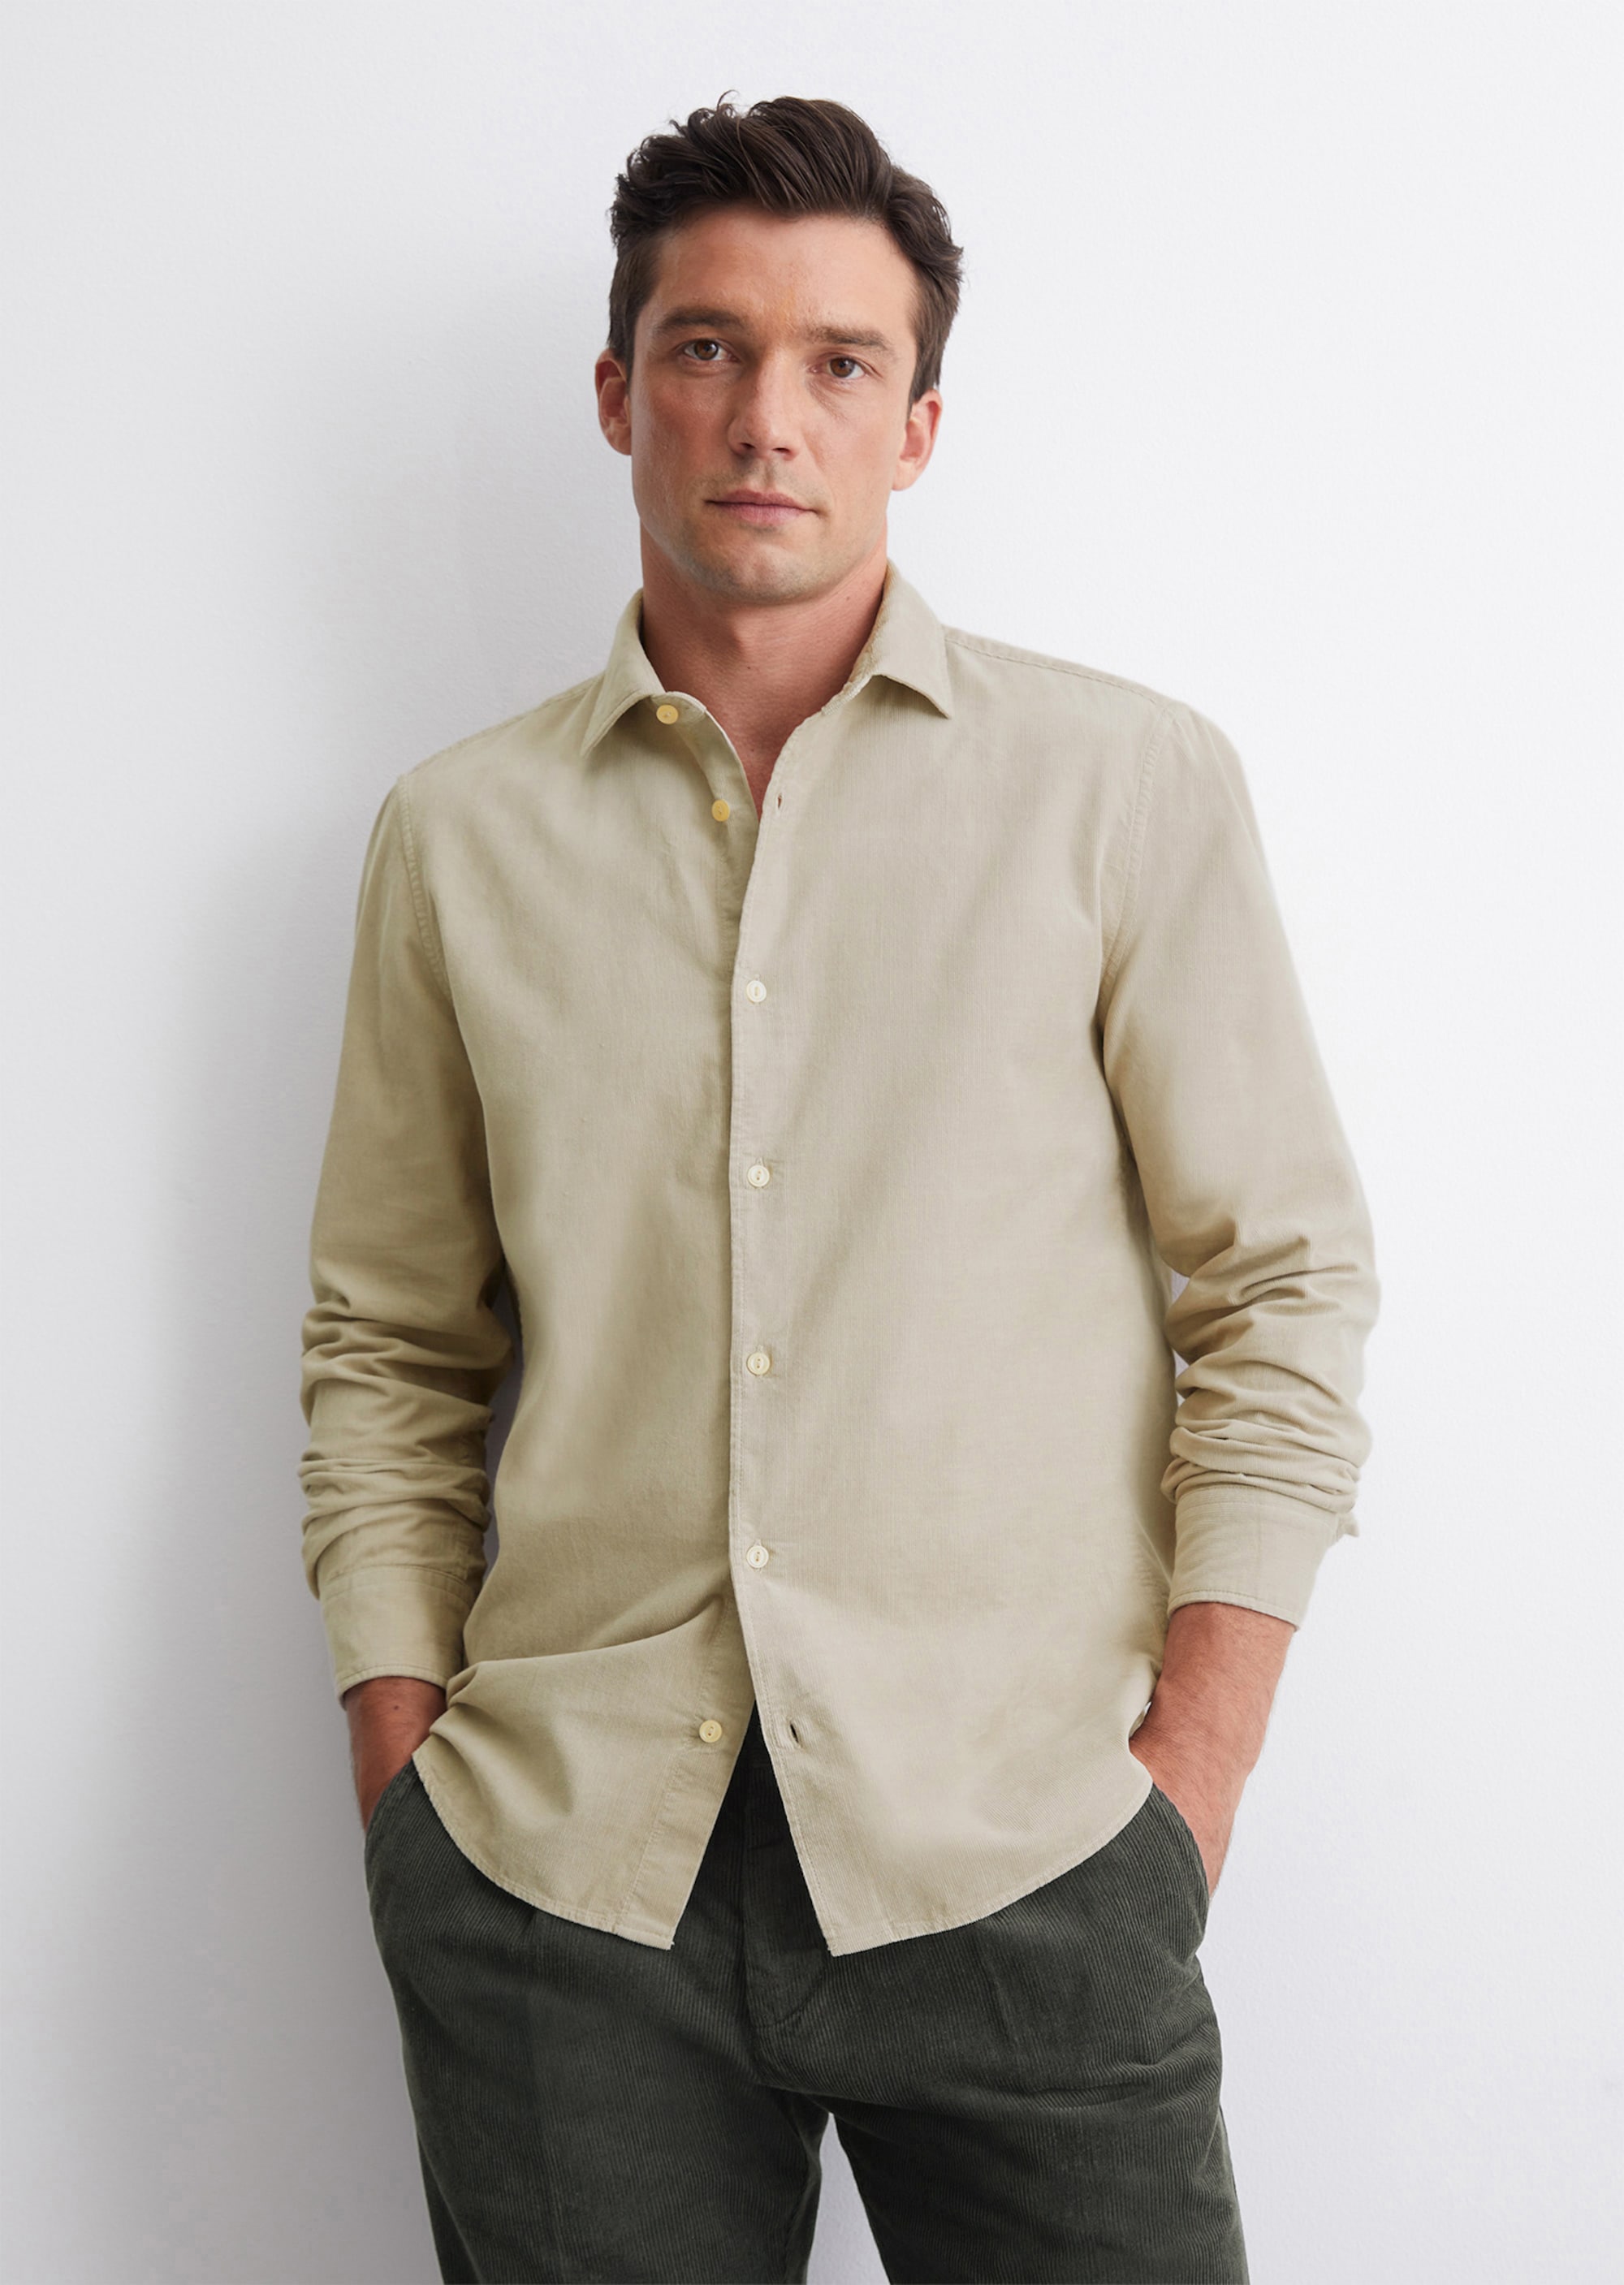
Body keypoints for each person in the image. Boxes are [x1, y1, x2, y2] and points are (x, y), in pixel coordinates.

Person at [299, 93, 1379, 2285]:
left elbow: (1279, 1284)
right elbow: (390, 1343)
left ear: (920, 423)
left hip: (1025, 1850)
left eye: (838, 360)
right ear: (619, 395)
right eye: (705, 347)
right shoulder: (458, 837)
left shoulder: (1123, 789)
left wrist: (1187, 1782)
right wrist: (408, 1783)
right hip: (565, 1887)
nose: (765, 415)